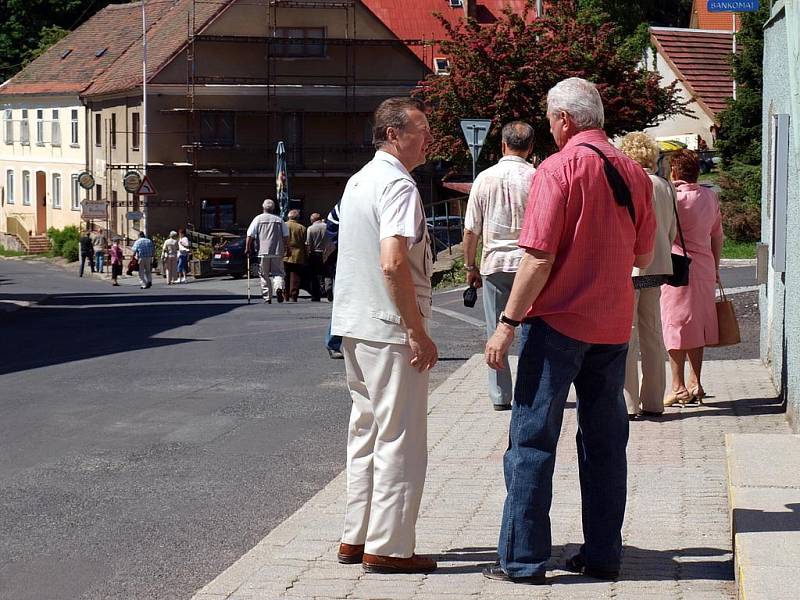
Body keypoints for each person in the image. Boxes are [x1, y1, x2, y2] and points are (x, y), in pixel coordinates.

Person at [482, 78, 655, 585]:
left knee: (532, 442)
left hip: (557, 324)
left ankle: (523, 560)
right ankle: (603, 554)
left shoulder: (557, 169)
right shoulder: (633, 172)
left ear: (564, 121)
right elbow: (642, 255)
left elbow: (536, 257)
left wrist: (506, 324)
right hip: (612, 325)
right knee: (605, 444)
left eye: (551, 119)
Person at [331, 96, 438, 574]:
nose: (429, 139)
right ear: (394, 135)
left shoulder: (359, 180)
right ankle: (390, 546)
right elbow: (393, 260)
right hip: (390, 327)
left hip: (354, 322)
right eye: (421, 130)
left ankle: (356, 536)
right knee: (401, 438)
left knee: (366, 433)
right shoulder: (398, 184)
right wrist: (417, 330)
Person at [463, 120, 536, 410]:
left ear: (502, 145)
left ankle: (500, 395)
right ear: (530, 148)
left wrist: (470, 266)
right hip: (529, 265)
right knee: (532, 332)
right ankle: (531, 392)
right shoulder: (537, 177)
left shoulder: (484, 178)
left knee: (496, 329)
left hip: (494, 264)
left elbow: (471, 230)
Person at [618, 132, 678, 419]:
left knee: (627, 335)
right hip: (658, 266)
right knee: (653, 333)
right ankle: (654, 400)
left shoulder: (629, 183)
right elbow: (672, 230)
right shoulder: (665, 186)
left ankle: (629, 404)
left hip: (630, 266)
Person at [660, 149, 723, 406]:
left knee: (674, 325)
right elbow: (716, 235)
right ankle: (696, 382)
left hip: (676, 267)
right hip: (705, 267)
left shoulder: (672, 197)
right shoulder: (710, 196)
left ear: (674, 171)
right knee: (698, 325)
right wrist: (716, 267)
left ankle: (678, 386)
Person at [245, 199, 289, 304]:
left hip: (262, 251)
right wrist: (288, 248)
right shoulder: (279, 220)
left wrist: (247, 248)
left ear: (263, 207)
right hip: (277, 250)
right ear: (273, 208)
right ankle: (278, 287)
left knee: (264, 275)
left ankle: (267, 297)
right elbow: (286, 235)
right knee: (278, 273)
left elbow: (250, 235)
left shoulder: (257, 219)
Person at [324, 202, 343, 358]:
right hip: (348, 257)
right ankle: (333, 342)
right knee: (343, 302)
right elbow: (332, 221)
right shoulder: (352, 193)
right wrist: (344, 245)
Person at [284, 209, 307, 302]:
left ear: (288, 217)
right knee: (295, 276)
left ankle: (285, 294)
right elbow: (305, 243)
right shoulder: (302, 228)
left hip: (284, 253)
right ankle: (294, 295)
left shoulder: (284, 225)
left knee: (285, 275)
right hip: (298, 254)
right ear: (297, 217)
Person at [306, 212, 328, 302]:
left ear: (312, 219)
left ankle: (316, 295)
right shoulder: (326, 226)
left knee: (315, 275)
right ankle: (328, 289)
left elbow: (309, 243)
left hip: (315, 253)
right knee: (327, 273)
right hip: (327, 251)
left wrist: (309, 253)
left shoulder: (310, 229)